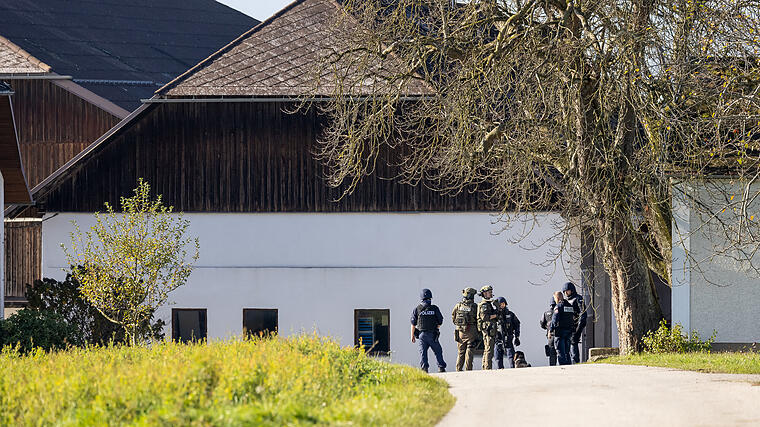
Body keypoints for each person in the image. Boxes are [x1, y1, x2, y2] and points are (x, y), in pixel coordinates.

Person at [411, 288, 446, 373]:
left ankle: (424, 369)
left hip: (421, 335)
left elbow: (413, 324)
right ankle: (441, 367)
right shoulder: (434, 308)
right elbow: (440, 321)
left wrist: (412, 336)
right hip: (432, 334)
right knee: (438, 351)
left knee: (423, 353)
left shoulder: (417, 309)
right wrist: (436, 328)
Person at [451, 287, 479, 371]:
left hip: (460, 332)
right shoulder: (474, 306)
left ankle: (458, 369)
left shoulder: (458, 305)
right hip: (471, 331)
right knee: (469, 352)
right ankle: (468, 370)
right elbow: (478, 318)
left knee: (461, 352)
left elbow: (453, 317)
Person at [562, 281, 587, 364]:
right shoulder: (565, 301)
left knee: (573, 343)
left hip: (575, 326)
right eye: (564, 291)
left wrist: (579, 328)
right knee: (565, 346)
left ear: (572, 290)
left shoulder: (578, 299)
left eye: (567, 291)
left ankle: (575, 363)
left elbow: (583, 313)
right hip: (566, 327)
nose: (566, 293)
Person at [493, 296, 521, 369]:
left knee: (511, 355)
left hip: (508, 337)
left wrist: (517, 337)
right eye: (500, 304)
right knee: (497, 356)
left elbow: (517, 324)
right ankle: (500, 370)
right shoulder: (494, 314)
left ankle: (512, 369)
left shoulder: (510, 314)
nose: (502, 305)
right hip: (498, 338)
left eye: (503, 304)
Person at [477, 285, 498, 370]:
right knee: (489, 349)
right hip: (488, 329)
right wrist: (495, 315)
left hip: (490, 329)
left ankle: (485, 368)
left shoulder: (488, 303)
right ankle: (487, 368)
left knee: (488, 349)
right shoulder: (484, 305)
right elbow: (485, 317)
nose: (491, 294)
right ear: (484, 294)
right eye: (489, 292)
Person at [550, 291, 575, 365]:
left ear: (557, 298)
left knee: (560, 352)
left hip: (560, 332)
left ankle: (563, 369)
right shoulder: (569, 306)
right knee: (567, 352)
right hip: (569, 331)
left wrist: (551, 330)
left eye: (555, 298)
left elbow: (555, 319)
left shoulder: (558, 306)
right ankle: (569, 367)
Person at [539, 297, 558, 366]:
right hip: (559, 334)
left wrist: (547, 328)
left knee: (552, 353)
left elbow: (541, 323)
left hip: (550, 336)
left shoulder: (546, 313)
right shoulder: (559, 311)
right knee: (561, 352)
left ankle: (552, 367)